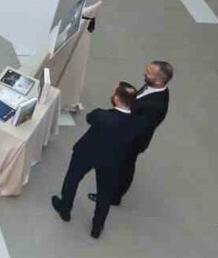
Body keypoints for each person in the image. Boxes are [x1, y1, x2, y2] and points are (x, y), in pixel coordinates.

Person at [51, 81, 142, 239]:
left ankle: (65, 208)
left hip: (87, 152)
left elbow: (89, 117)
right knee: (104, 193)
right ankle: (97, 227)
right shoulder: (135, 123)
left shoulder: (102, 115)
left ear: (117, 99)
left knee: (72, 179)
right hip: (112, 161)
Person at [100, 60, 172, 208]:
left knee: (124, 166)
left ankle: (113, 196)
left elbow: (138, 126)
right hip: (129, 136)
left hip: (132, 141)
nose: (144, 73)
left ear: (159, 80)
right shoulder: (154, 87)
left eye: (149, 73)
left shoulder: (155, 105)